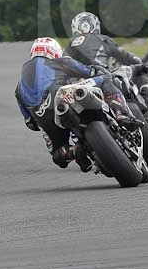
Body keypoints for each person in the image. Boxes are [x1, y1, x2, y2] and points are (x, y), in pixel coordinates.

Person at [15, 37, 109, 171]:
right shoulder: (61, 61)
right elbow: (90, 73)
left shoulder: (19, 87)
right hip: (67, 101)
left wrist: (41, 120)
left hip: (46, 122)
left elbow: (30, 123)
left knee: (58, 157)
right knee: (106, 79)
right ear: (54, 51)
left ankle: (73, 151)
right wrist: (99, 70)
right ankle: (118, 112)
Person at [64, 11, 148, 118]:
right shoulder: (102, 39)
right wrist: (138, 61)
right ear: (96, 27)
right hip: (105, 76)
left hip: (79, 85)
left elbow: (62, 64)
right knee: (141, 69)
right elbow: (124, 56)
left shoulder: (70, 44)